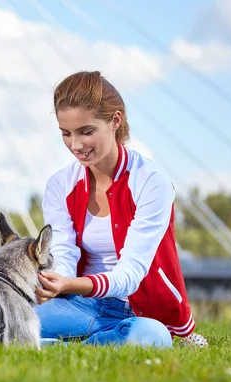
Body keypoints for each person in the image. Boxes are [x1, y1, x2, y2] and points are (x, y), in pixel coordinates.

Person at [35, 71, 208, 348]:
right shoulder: (59, 186)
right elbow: (64, 253)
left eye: (86, 131)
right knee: (6, 315)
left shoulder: (151, 182)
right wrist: (57, 281)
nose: (76, 145)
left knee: (154, 337)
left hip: (137, 311)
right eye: (66, 134)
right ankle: (90, 341)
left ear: (115, 121)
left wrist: (69, 285)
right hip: (80, 307)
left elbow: (129, 277)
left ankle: (53, 344)